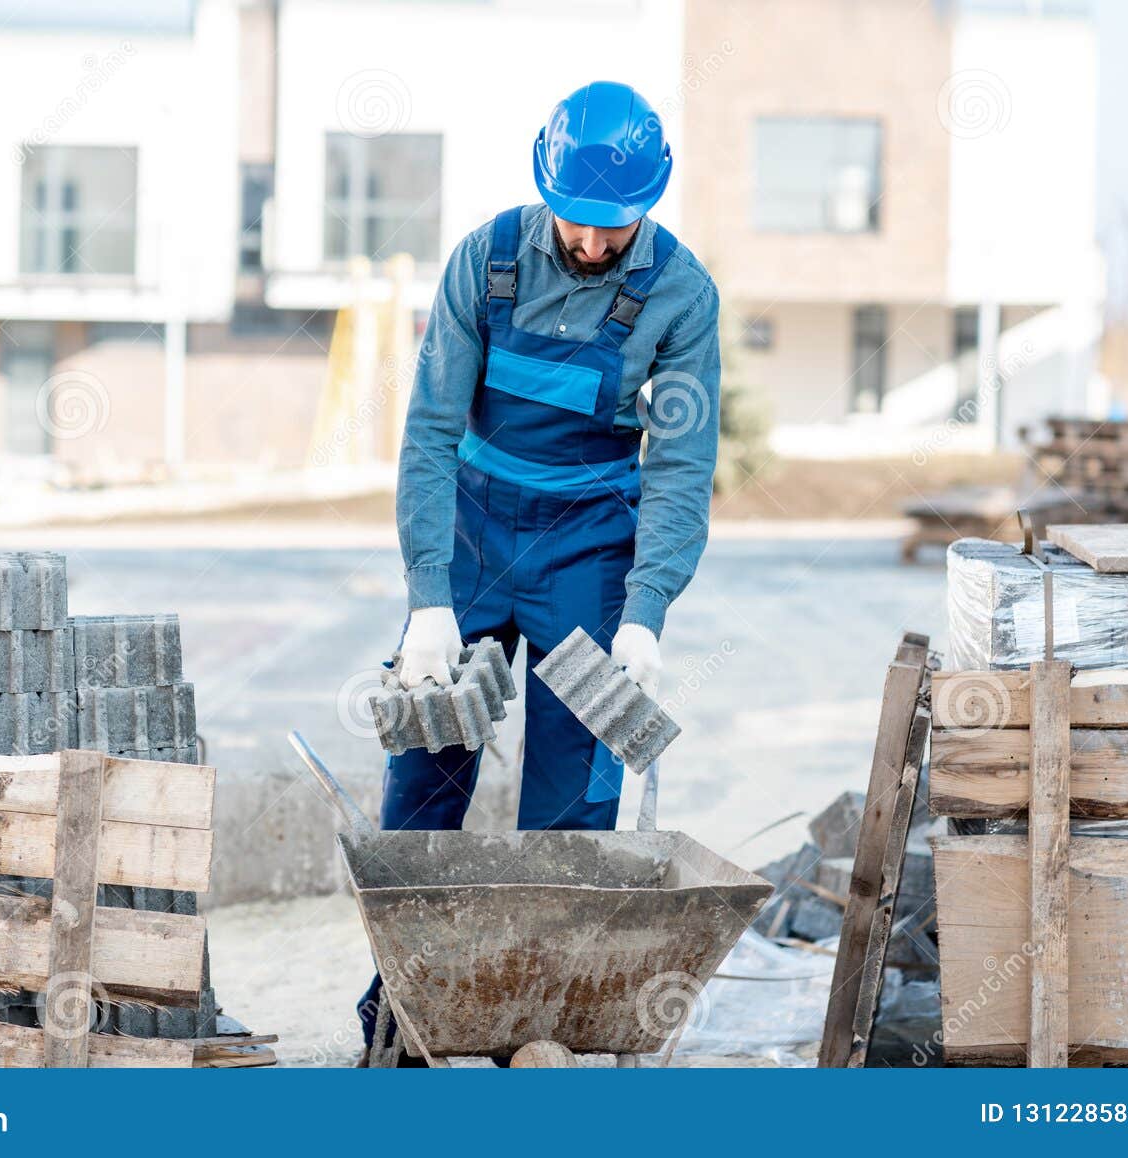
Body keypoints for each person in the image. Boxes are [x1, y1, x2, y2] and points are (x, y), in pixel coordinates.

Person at [360, 80, 721, 1060]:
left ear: (649, 201)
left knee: (572, 802)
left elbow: (681, 465)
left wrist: (644, 612)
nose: (596, 245)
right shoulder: (486, 259)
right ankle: (406, 1017)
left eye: (618, 226)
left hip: (589, 547)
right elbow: (431, 429)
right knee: (428, 769)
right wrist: (429, 597)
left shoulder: (680, 294)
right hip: (475, 531)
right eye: (581, 221)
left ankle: (541, 1023)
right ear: (545, 186)